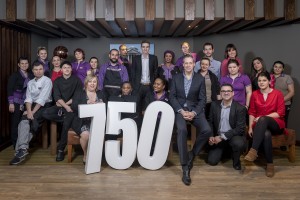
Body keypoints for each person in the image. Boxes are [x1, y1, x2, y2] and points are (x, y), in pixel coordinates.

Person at [169, 54, 212, 186]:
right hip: (180, 110)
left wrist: (193, 113)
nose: (188, 65)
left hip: (195, 110)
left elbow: (202, 99)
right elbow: (172, 97)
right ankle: (185, 167)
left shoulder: (200, 78)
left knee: (207, 130)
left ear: (194, 64)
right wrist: (181, 111)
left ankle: (192, 153)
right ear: (183, 65)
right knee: (181, 130)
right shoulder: (175, 78)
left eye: (190, 63)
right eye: (185, 63)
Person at [9, 61, 52, 165]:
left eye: (40, 69)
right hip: (32, 106)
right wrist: (28, 111)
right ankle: (22, 150)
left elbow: (42, 99)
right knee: (23, 121)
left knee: (33, 121)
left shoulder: (47, 81)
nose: (38, 71)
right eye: (36, 70)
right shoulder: (30, 82)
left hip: (45, 105)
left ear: (43, 70)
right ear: (32, 70)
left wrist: (32, 112)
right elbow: (28, 99)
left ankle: (20, 150)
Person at [244, 72, 286, 177]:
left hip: (276, 123)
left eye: (264, 80)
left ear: (269, 81)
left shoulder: (278, 93)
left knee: (263, 119)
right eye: (259, 81)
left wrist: (264, 117)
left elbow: (280, 113)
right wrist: (250, 127)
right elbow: (252, 112)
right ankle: (270, 164)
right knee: (266, 134)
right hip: (259, 125)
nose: (261, 83)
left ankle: (253, 150)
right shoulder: (254, 94)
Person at [42, 61, 83, 161]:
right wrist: (64, 106)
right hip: (62, 107)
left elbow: (77, 97)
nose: (67, 69)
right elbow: (57, 96)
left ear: (71, 69)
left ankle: (60, 150)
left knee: (66, 124)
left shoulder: (77, 80)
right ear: (61, 69)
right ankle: (66, 117)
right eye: (65, 67)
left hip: (71, 106)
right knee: (45, 113)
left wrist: (66, 105)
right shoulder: (57, 81)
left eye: (69, 67)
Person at [207, 83, 247, 170]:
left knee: (238, 143)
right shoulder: (214, 105)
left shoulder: (240, 108)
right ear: (220, 93)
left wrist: (222, 137)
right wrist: (210, 136)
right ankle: (227, 151)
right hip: (218, 136)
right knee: (212, 161)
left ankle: (236, 161)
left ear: (233, 93)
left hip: (233, 136)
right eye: (223, 91)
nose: (226, 93)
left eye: (228, 91)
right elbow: (210, 122)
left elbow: (240, 129)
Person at [71, 75, 106, 164]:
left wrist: (102, 104)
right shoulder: (79, 93)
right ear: (86, 83)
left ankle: (96, 155)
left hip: (97, 121)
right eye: (90, 81)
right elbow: (74, 106)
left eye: (94, 82)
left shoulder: (101, 93)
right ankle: (86, 154)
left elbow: (106, 107)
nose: (92, 84)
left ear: (97, 83)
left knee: (100, 135)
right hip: (82, 121)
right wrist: (86, 103)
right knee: (86, 135)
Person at [7, 56, 34, 148]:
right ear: (19, 65)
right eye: (22, 63)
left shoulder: (31, 75)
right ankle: (15, 144)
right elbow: (10, 89)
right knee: (16, 123)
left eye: (26, 63)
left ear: (28, 64)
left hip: (27, 102)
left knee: (25, 122)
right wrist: (11, 103)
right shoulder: (14, 75)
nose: (24, 65)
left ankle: (24, 142)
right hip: (16, 102)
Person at [145, 77, 169, 155]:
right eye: (154, 84)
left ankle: (160, 153)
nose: (155, 85)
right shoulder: (149, 95)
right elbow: (145, 110)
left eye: (158, 84)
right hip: (151, 121)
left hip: (164, 122)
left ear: (163, 86)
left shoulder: (169, 97)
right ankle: (151, 152)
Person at [131, 40, 158, 111]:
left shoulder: (154, 58)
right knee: (137, 106)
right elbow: (133, 73)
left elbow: (156, 72)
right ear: (141, 48)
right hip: (138, 86)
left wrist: (153, 85)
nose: (145, 49)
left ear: (149, 48)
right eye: (143, 47)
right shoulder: (135, 58)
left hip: (150, 86)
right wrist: (133, 86)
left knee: (149, 106)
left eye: (147, 47)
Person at [271, 61, 294, 126]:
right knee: (272, 122)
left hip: (284, 104)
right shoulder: (269, 77)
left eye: (280, 67)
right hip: (271, 104)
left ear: (283, 69)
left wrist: (280, 101)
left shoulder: (287, 77)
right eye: (276, 67)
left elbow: (292, 92)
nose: (277, 69)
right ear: (273, 67)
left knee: (283, 123)